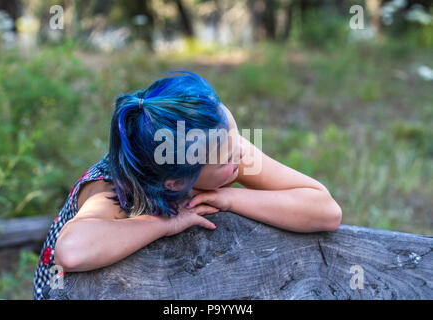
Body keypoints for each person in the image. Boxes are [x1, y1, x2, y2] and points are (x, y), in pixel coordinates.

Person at [33, 71, 341, 300]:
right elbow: (71, 251)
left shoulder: (221, 145)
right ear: (176, 182)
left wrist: (231, 197)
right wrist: (161, 224)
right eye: (225, 160)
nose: (240, 152)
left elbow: (325, 211)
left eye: (233, 131)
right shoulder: (113, 189)